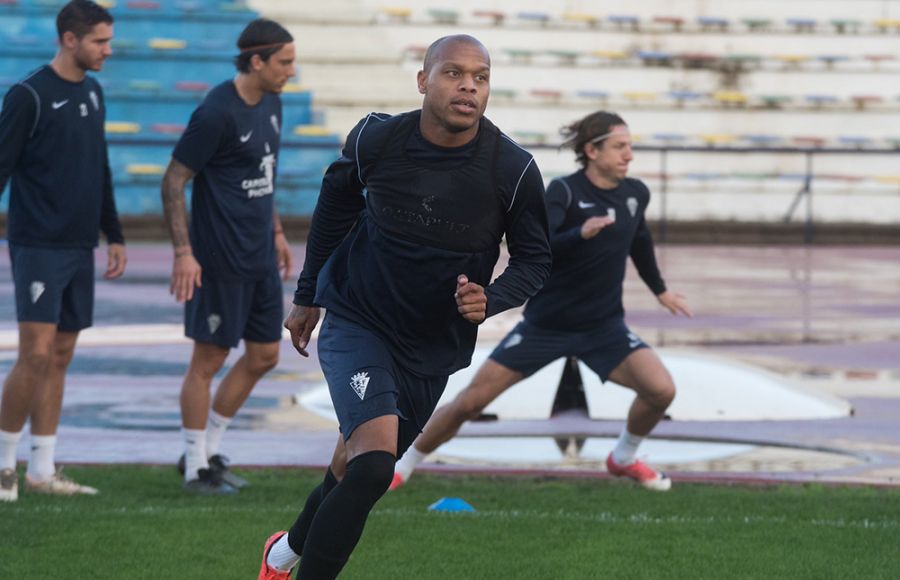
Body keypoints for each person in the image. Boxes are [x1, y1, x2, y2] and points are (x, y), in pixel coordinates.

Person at [258, 34, 552, 579]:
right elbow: (334, 209)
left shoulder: (513, 170)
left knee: (352, 467)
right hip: (357, 317)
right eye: (454, 73)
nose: (468, 85)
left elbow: (535, 261)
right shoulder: (376, 139)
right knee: (372, 467)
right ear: (423, 80)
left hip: (433, 344)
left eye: (480, 77)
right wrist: (307, 295)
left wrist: (492, 299)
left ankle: (281, 554)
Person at [393, 111, 692, 492]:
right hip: (545, 327)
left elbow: (640, 241)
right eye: (620, 147)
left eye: (630, 147)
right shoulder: (564, 193)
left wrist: (660, 290)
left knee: (661, 390)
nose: (629, 155)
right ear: (592, 151)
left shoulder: (636, 194)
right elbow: (539, 250)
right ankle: (405, 464)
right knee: (470, 403)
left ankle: (623, 457)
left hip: (604, 328)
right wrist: (579, 234)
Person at [160, 18, 295, 495]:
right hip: (218, 259)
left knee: (263, 355)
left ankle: (206, 450)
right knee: (209, 358)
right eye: (284, 62)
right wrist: (183, 252)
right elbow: (174, 179)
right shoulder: (216, 111)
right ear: (256, 61)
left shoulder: (274, 104)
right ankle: (196, 468)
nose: (291, 71)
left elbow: (265, 173)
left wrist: (277, 230)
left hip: (258, 254)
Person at [0, 0, 126, 503]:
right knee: (33, 354)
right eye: (100, 41)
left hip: (80, 245)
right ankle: (4, 466)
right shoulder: (28, 95)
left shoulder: (94, 93)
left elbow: (100, 167)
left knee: (62, 355)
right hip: (38, 245)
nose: (107, 50)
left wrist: (113, 233)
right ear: (70, 40)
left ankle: (42, 469)